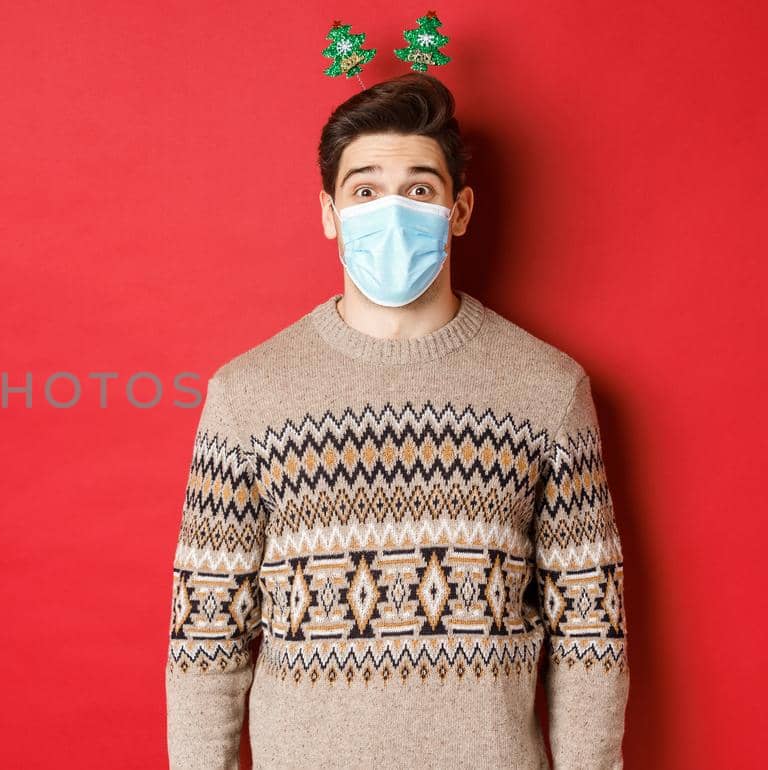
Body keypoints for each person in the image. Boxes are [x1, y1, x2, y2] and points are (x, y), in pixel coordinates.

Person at [164, 73, 629, 769]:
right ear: (329, 212)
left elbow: (590, 631)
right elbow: (206, 639)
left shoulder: (549, 391)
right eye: (364, 190)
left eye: (418, 189)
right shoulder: (246, 396)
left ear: (459, 208)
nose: (391, 210)